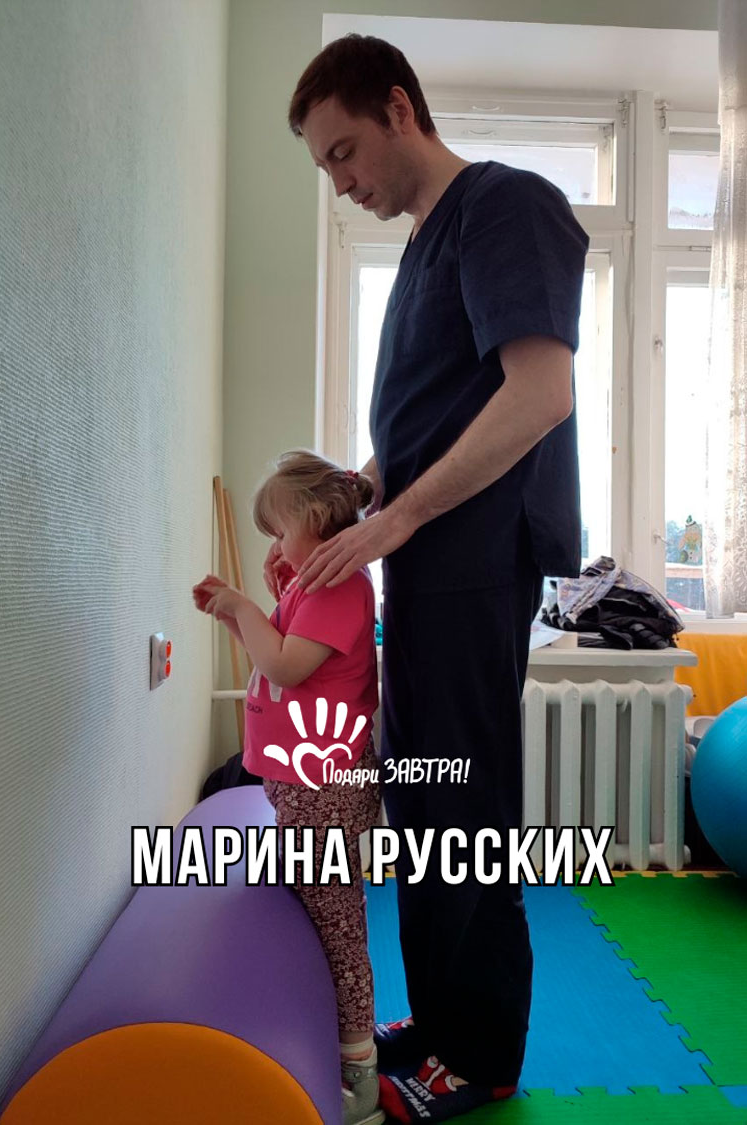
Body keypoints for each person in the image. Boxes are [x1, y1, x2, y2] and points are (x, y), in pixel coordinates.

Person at [277, 34, 590, 1125]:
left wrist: (399, 515)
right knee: (422, 800)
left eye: (344, 152)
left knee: (462, 805)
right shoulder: (423, 245)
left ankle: (482, 1054)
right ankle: (445, 1021)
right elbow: (429, 421)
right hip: (424, 568)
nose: (341, 182)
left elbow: (539, 393)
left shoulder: (506, 207)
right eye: (325, 165)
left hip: (474, 565)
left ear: (401, 109)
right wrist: (347, 502)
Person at [193, 450, 386, 1125]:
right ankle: (317, 1028)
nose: (275, 546)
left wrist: (244, 606)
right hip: (297, 785)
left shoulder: (342, 587)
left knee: (338, 926)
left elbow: (284, 665)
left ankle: (359, 1072)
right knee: (312, 909)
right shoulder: (313, 586)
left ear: (316, 519)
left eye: (279, 532)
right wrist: (248, 609)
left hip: (323, 788)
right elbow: (273, 646)